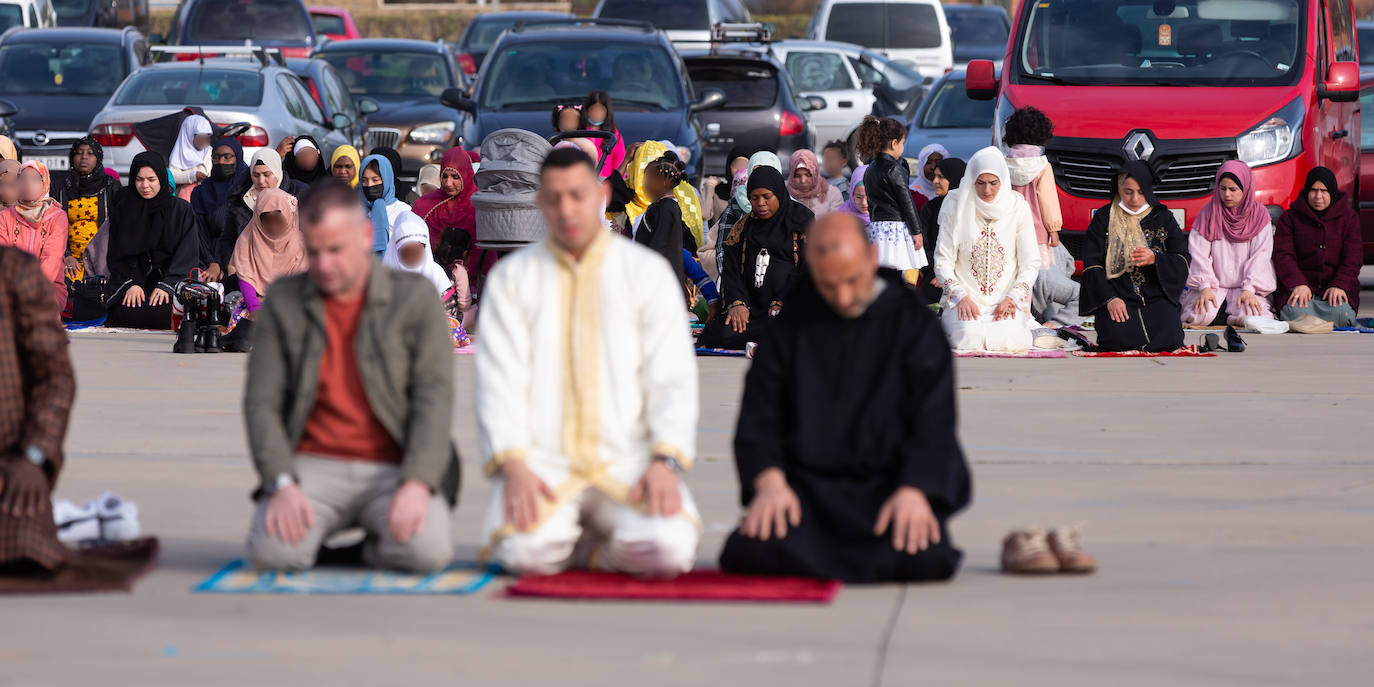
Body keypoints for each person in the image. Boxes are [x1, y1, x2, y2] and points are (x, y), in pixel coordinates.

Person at [476, 147, 700, 577]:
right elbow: (497, 383)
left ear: (599, 195)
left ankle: (592, 554)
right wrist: (514, 466)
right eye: (554, 198)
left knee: (668, 549)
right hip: (544, 462)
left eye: (577, 195)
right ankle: (571, 542)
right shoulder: (513, 279)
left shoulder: (645, 273)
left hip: (628, 459)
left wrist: (664, 460)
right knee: (525, 554)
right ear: (540, 203)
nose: (566, 209)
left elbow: (672, 377)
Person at [718, 212, 970, 583]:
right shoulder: (791, 326)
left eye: (852, 281)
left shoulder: (912, 323)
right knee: (747, 551)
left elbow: (933, 421)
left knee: (927, 557)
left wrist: (916, 490)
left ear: (871, 257)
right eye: (829, 284)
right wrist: (769, 484)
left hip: (890, 493)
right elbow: (760, 415)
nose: (843, 297)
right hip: (807, 496)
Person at [243, 179, 460, 573]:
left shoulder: (415, 299)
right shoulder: (285, 304)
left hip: (394, 465)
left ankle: (362, 551)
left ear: (364, 235)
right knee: (273, 554)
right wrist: (281, 483)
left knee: (426, 553)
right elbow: (262, 403)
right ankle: (315, 541)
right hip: (312, 464)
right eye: (314, 250)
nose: (323, 264)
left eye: (336, 249)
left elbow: (434, 397)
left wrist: (417, 481)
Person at [0, 246, 77, 573]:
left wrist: (33, 457)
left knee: (23, 547)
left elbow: (55, 378)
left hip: (11, 463)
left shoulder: (14, 272)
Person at [934, 147, 1041, 352]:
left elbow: (1030, 263)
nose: (987, 191)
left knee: (1010, 339)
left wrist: (1013, 298)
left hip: (1004, 301)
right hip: (965, 300)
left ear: (1003, 179)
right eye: (980, 183)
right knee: (968, 336)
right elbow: (942, 260)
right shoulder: (956, 204)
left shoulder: (1017, 206)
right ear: (971, 180)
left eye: (993, 183)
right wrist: (960, 296)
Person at [697, 166, 815, 351]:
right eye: (754, 198)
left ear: (778, 193)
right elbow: (731, 269)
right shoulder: (743, 227)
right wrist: (737, 303)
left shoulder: (801, 222)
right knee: (721, 332)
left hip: (789, 306)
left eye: (767, 197)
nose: (760, 203)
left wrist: (782, 301)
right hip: (752, 310)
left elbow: (808, 269)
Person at [1080, 161, 1190, 352]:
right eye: (1128, 192)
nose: (1135, 199)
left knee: (1171, 338)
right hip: (1118, 298)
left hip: (1156, 298)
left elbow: (1182, 257)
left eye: (1141, 192)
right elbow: (1092, 265)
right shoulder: (1103, 218)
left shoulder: (1163, 217)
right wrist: (1109, 299)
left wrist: (1156, 259)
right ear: (1118, 189)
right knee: (1115, 339)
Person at [1180, 161, 1282, 329]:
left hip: (1248, 288)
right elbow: (1198, 254)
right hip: (1212, 287)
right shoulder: (1208, 213)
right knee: (1200, 314)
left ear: (1246, 188)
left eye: (1233, 189)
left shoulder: (1259, 216)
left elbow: (1261, 256)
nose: (1227, 194)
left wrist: (1249, 288)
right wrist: (1204, 286)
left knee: (1253, 316)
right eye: (1222, 188)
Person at [104, 153, 199, 330]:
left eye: (151, 179)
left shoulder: (180, 211)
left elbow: (187, 253)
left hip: (169, 281)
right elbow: (116, 253)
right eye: (139, 179)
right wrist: (131, 283)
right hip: (133, 281)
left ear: (161, 179)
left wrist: (167, 286)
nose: (145, 186)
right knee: (129, 312)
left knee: (162, 313)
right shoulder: (124, 209)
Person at [1272, 167, 1362, 327]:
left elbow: (1353, 259)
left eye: (1324, 191)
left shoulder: (1348, 219)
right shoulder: (1289, 218)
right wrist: (1297, 284)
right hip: (1301, 291)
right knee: (1293, 313)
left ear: (1332, 193)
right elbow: (1283, 255)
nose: (1318, 196)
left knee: (1342, 314)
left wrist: (1339, 285)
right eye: (1313, 190)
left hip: (1334, 291)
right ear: (1307, 191)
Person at [208, 149, 308, 283]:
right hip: (247, 270)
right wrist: (230, 266)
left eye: (267, 174)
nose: (261, 181)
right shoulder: (242, 199)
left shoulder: (298, 194)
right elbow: (227, 238)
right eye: (256, 175)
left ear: (277, 171)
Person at [223, 188, 305, 350]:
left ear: (289, 218)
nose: (273, 226)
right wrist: (254, 307)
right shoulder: (247, 240)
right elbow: (246, 278)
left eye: (278, 221)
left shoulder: (300, 244)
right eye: (267, 221)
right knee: (246, 324)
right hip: (254, 303)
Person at [859, 116, 926, 276]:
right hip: (895, 228)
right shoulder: (894, 169)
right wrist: (917, 231)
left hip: (876, 228)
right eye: (902, 143)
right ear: (893, 143)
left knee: (880, 273)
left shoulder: (870, 168)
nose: (903, 147)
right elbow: (906, 200)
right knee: (898, 271)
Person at [0, 162, 69, 310]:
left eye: (34, 179)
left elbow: (52, 258)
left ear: (44, 183)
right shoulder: (5, 217)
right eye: (23, 179)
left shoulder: (57, 217)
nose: (27, 184)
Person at [1002, 107, 1063, 267]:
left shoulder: (1003, 164)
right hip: (1037, 234)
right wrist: (1053, 230)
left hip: (1008, 230)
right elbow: (1048, 202)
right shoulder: (1042, 166)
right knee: (1034, 275)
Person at [57, 137, 120, 284]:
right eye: (79, 153)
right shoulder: (60, 188)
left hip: (102, 257)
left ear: (98, 158)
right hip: (69, 259)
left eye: (90, 153)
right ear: (72, 158)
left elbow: (118, 226)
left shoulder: (111, 187)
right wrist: (65, 255)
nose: (84, 157)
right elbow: (54, 227)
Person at [631, 151, 690, 293]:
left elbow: (660, 243)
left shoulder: (666, 208)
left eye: (648, 181)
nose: (645, 186)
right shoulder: (662, 207)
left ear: (663, 182)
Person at [190, 137, 246, 272]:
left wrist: (227, 262)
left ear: (237, 158)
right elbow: (199, 231)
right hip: (208, 257)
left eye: (227, 157)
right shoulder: (201, 191)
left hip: (242, 258)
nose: (221, 162)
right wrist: (212, 262)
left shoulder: (246, 189)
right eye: (216, 157)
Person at [382, 213, 453, 297]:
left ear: (425, 249)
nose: (411, 258)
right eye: (406, 253)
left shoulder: (436, 274)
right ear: (396, 251)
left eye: (416, 253)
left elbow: (449, 305)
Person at [359, 154, 414, 255]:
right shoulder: (355, 210)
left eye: (375, 180)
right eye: (364, 180)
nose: (369, 185)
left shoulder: (403, 211)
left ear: (386, 179)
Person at [701, 145, 750, 228]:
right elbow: (704, 214)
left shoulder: (754, 194)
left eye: (744, 165)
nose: (740, 170)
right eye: (736, 165)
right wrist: (709, 187)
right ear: (728, 167)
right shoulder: (718, 192)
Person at [786, 149, 844, 216]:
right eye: (797, 176)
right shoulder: (784, 192)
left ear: (815, 174)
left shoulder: (832, 194)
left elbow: (836, 222)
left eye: (808, 175)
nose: (803, 180)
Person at [582, 91, 625, 179]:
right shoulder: (579, 131)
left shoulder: (613, 134)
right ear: (587, 110)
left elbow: (619, 160)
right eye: (594, 109)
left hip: (605, 182)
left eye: (601, 110)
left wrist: (618, 182)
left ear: (607, 113)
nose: (597, 113)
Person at [168, 114, 213, 198]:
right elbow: (172, 176)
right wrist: (192, 176)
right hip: (187, 195)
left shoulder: (209, 151)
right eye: (200, 137)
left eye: (206, 137)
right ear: (189, 135)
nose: (204, 141)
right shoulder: (179, 153)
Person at [909, 143, 949, 210]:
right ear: (921, 165)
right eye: (928, 162)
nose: (933, 167)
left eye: (938, 162)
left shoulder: (952, 192)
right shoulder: (913, 193)